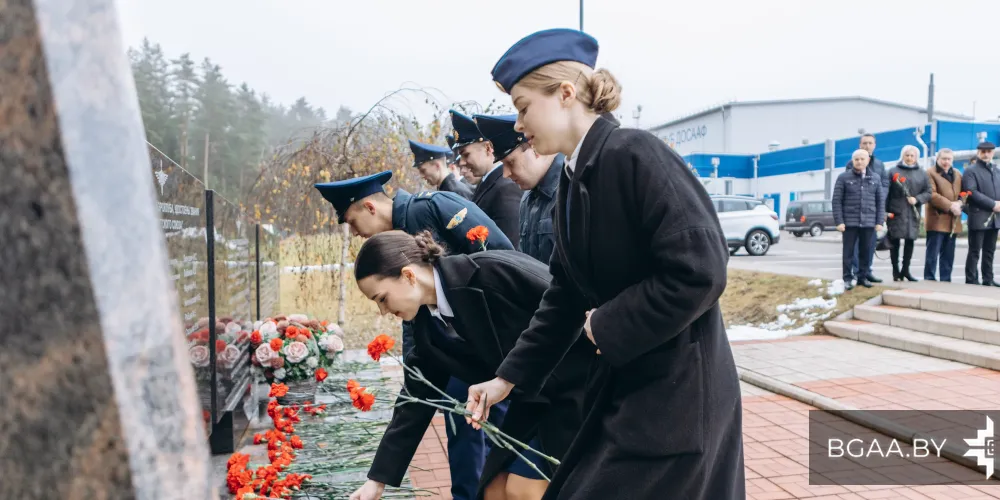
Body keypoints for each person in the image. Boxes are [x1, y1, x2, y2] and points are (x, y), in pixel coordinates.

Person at [465, 28, 744, 499]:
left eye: (523, 105)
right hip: (634, 392)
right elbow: (565, 295)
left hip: (678, 397)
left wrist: (609, 323)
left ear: (566, 94)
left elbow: (701, 268)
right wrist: (507, 379)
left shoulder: (634, 154)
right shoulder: (575, 181)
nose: (517, 123)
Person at [347, 231, 595, 500]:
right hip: (533, 406)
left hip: (581, 389)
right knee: (493, 491)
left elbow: (569, 304)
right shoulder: (428, 328)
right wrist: (377, 481)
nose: (383, 312)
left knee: (523, 491)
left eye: (382, 299)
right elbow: (414, 401)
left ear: (408, 275)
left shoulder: (490, 272)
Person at [314, 171, 511, 500]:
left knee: (498, 453)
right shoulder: (399, 248)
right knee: (470, 441)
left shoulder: (429, 210)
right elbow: (421, 330)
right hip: (461, 353)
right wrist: (378, 479)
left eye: (352, 221)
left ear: (370, 207)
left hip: (506, 358)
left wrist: (505, 370)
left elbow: (501, 264)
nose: (355, 232)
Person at [474, 113, 564, 263]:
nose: (505, 174)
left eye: (510, 162)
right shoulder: (527, 198)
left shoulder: (570, 188)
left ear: (535, 149)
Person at [451, 109, 524, 248]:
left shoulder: (505, 188)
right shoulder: (489, 184)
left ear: (488, 148)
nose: (461, 163)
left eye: (466, 155)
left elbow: (510, 247)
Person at [833, 149, 886, 290]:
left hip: (869, 222)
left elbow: (880, 201)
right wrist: (839, 221)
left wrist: (880, 221)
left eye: (862, 159)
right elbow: (836, 201)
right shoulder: (843, 178)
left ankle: (862, 277)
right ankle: (847, 278)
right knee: (848, 252)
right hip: (849, 222)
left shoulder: (875, 178)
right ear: (852, 161)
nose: (859, 161)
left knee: (866, 251)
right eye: (856, 159)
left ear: (868, 160)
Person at [884, 145, 931, 281]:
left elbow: (928, 192)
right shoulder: (893, 171)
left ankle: (906, 270)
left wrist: (917, 199)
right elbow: (886, 193)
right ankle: (895, 271)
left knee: (910, 241)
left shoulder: (922, 173)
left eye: (912, 156)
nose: (909, 158)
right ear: (902, 156)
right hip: (896, 211)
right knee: (895, 241)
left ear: (916, 157)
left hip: (913, 212)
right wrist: (885, 212)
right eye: (907, 155)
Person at [849, 133, 888, 284]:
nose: (867, 146)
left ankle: (867, 271)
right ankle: (856, 272)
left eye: (870, 143)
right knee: (856, 244)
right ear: (860, 145)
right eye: (864, 143)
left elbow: (884, 184)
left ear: (874, 145)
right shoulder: (852, 162)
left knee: (870, 244)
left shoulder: (879, 164)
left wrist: (879, 200)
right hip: (856, 211)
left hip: (873, 210)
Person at [961, 141, 1000, 286]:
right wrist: (993, 204)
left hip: (995, 217)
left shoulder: (996, 170)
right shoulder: (971, 170)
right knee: (975, 251)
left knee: (989, 251)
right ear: (978, 153)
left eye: (989, 151)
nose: (986, 154)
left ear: (993, 153)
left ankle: (988, 279)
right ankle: (971, 280)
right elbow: (972, 192)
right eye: (983, 151)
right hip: (978, 216)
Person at [924, 149, 963, 281]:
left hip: (953, 220)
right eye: (944, 159)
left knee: (948, 254)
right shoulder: (930, 173)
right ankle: (929, 279)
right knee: (933, 253)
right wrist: (950, 205)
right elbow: (932, 195)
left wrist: (960, 202)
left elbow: (964, 193)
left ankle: (946, 280)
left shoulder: (957, 174)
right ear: (938, 159)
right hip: (937, 219)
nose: (946, 162)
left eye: (949, 159)